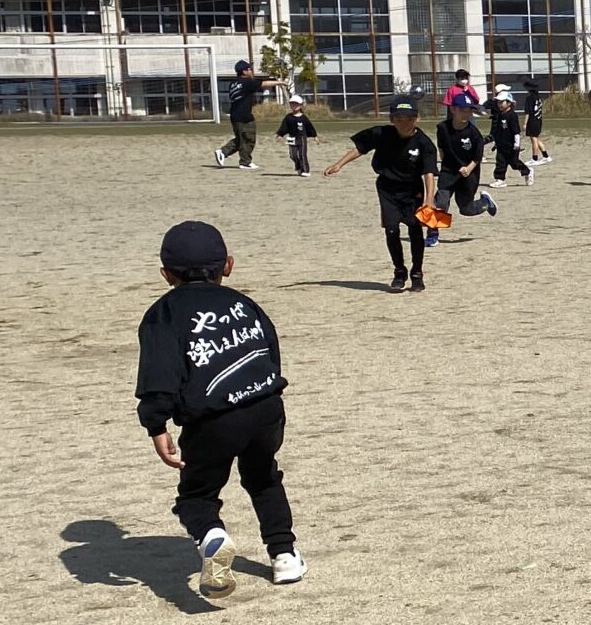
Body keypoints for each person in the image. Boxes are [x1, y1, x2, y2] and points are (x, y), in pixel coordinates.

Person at [135, 219, 302, 598]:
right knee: (263, 478)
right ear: (228, 265)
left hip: (212, 419)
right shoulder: (245, 304)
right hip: (265, 406)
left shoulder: (164, 314)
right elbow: (270, 352)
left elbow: (159, 374)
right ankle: (284, 556)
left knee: (197, 497)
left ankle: (213, 535)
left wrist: (156, 424)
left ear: (165, 274)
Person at [322, 97, 438, 291]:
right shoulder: (381, 133)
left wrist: (429, 199)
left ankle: (417, 273)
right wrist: (339, 164)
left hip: (412, 190)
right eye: (399, 119)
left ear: (417, 118)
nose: (404, 123)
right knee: (391, 229)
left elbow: (429, 173)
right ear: (392, 119)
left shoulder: (424, 144)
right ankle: (399, 271)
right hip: (387, 188)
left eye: (409, 119)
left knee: (415, 229)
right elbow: (360, 148)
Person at [431, 96, 501, 238]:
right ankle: (433, 234)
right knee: (440, 202)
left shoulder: (474, 133)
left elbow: (478, 157)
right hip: (449, 171)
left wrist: (468, 169)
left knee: (466, 209)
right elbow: (441, 148)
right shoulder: (443, 128)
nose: (466, 114)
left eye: (469, 111)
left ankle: (485, 202)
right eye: (462, 110)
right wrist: (446, 164)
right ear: (453, 109)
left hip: (469, 173)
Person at [213, 59, 272, 169]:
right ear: (244, 72)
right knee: (249, 138)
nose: (251, 71)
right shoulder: (247, 82)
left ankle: (223, 152)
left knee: (241, 139)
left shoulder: (233, 83)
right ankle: (245, 162)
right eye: (249, 69)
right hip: (244, 116)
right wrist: (280, 83)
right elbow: (263, 84)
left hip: (234, 115)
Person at [487, 89, 531, 187]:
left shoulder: (512, 115)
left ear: (509, 103)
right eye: (498, 102)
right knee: (500, 162)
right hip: (501, 145)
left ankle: (527, 171)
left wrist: (516, 144)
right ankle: (500, 179)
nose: (499, 104)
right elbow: (499, 130)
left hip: (511, 145)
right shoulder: (499, 115)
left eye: (502, 102)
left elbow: (516, 131)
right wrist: (496, 142)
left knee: (514, 163)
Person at [275, 97, 319, 176]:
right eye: (292, 104)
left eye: (296, 104)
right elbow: (284, 127)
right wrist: (280, 134)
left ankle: (305, 170)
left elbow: (309, 127)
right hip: (291, 138)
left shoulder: (303, 118)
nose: (294, 106)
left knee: (302, 154)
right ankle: (298, 167)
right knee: (293, 155)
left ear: (301, 105)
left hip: (302, 138)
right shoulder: (288, 117)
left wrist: (314, 136)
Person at [523, 79, 551, 165]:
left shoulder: (529, 98)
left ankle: (534, 159)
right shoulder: (538, 98)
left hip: (532, 121)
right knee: (536, 138)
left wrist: (525, 123)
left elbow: (527, 112)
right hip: (538, 120)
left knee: (534, 140)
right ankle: (546, 156)